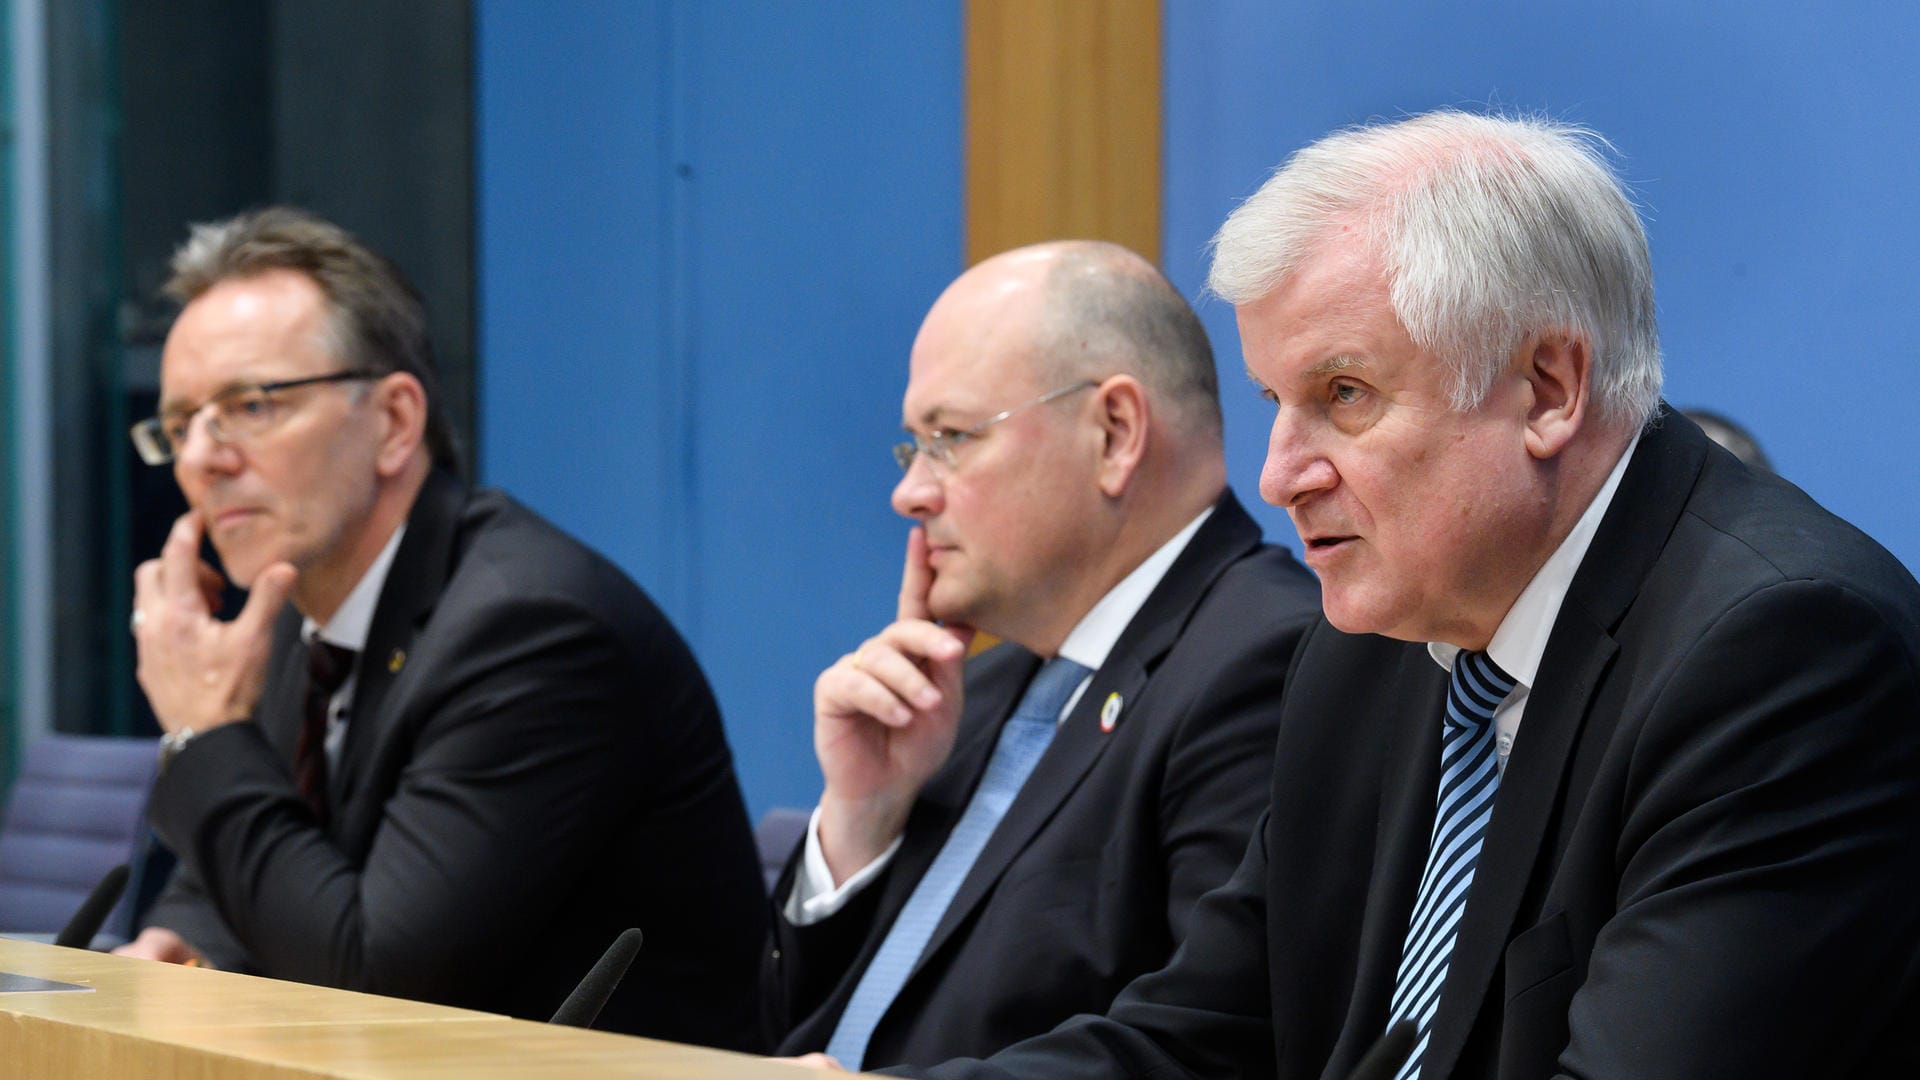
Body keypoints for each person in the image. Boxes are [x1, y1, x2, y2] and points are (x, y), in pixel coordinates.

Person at [894, 112, 1920, 1078]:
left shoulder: (1781, 655)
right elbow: (1203, 1039)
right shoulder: (1373, 644)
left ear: (1549, 389)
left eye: (1344, 396)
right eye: (1275, 405)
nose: (1279, 473)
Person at [118, 207, 765, 1048]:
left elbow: (380, 984)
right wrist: (190, 934)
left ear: (393, 422)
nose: (203, 457)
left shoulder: (529, 631)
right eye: (180, 425)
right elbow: (277, 844)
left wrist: (205, 732)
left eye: (250, 404)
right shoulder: (296, 617)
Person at [762, 241, 1321, 1071]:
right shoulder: (970, 694)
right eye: (912, 446)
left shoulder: (1266, 662)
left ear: (1115, 432)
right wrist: (862, 820)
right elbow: (786, 1034)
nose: (910, 492)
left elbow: (1216, 1045)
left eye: (950, 437)